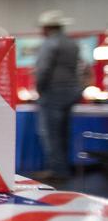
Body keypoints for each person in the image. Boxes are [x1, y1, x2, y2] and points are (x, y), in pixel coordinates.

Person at [34, 10, 82, 182]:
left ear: (47, 28)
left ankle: (58, 171)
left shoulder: (50, 44)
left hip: (53, 92)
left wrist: (39, 90)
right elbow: (79, 69)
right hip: (71, 92)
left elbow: (43, 70)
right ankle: (65, 168)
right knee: (64, 132)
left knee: (51, 133)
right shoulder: (72, 44)